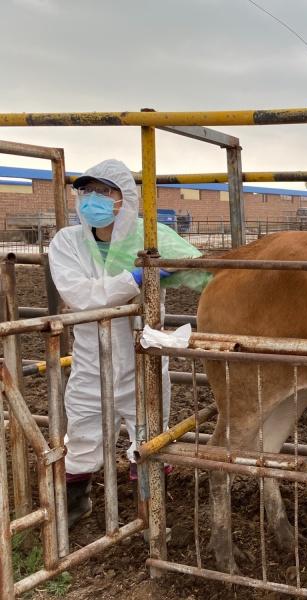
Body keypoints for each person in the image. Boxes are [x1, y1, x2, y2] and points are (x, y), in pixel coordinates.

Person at [49, 158, 207, 528]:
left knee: (149, 435)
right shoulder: (66, 242)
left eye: (104, 192)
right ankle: (77, 503)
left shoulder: (151, 235)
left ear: (126, 199)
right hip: (92, 360)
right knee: (84, 435)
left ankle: (149, 510)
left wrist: (186, 270)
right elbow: (79, 295)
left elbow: (202, 271)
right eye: (87, 191)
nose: (93, 199)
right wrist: (135, 278)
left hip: (143, 357)